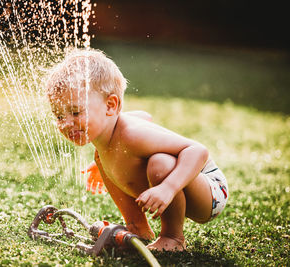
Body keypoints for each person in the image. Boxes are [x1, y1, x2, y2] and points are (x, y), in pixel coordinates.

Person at [45, 48, 229, 251]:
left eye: (75, 112)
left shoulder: (131, 135)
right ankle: (138, 227)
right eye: (59, 116)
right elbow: (145, 115)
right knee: (101, 157)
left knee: (161, 163)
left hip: (210, 191)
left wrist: (167, 187)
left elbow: (198, 150)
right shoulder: (108, 133)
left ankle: (173, 237)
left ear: (110, 105)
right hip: (186, 183)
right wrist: (102, 165)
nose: (66, 123)